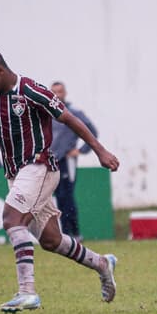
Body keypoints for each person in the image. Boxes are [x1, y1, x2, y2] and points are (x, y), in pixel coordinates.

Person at [0, 48, 120, 313]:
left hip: (40, 165)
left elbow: (69, 119)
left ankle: (27, 292)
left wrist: (100, 151)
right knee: (52, 240)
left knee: (11, 219)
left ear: (0, 70)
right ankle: (101, 263)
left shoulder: (32, 91)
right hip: (16, 173)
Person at [50, 81, 98, 241]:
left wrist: (81, 150)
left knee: (67, 196)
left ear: (65, 93)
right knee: (59, 196)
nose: (57, 95)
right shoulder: (47, 112)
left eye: (60, 91)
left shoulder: (73, 112)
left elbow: (92, 130)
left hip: (67, 160)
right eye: (54, 92)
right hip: (52, 161)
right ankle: (64, 233)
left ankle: (74, 233)